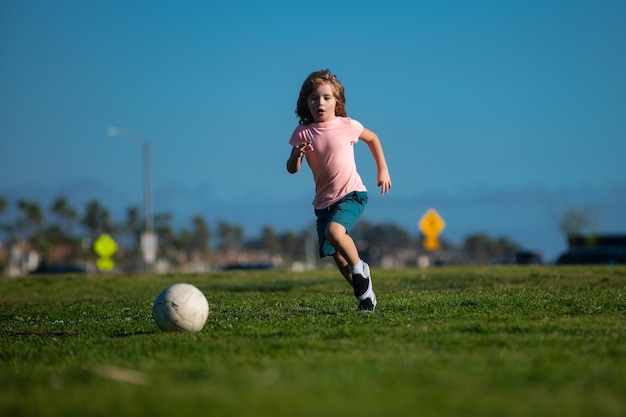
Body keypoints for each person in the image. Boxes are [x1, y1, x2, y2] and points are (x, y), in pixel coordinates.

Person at [286, 69, 392, 311]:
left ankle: (359, 268)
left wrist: (382, 170)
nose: (320, 103)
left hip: (352, 194)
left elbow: (373, 138)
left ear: (337, 101)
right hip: (323, 203)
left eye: (326, 97)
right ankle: (365, 296)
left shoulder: (347, 125)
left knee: (335, 234)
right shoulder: (302, 133)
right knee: (337, 255)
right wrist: (296, 155)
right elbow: (292, 169)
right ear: (306, 102)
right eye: (314, 98)